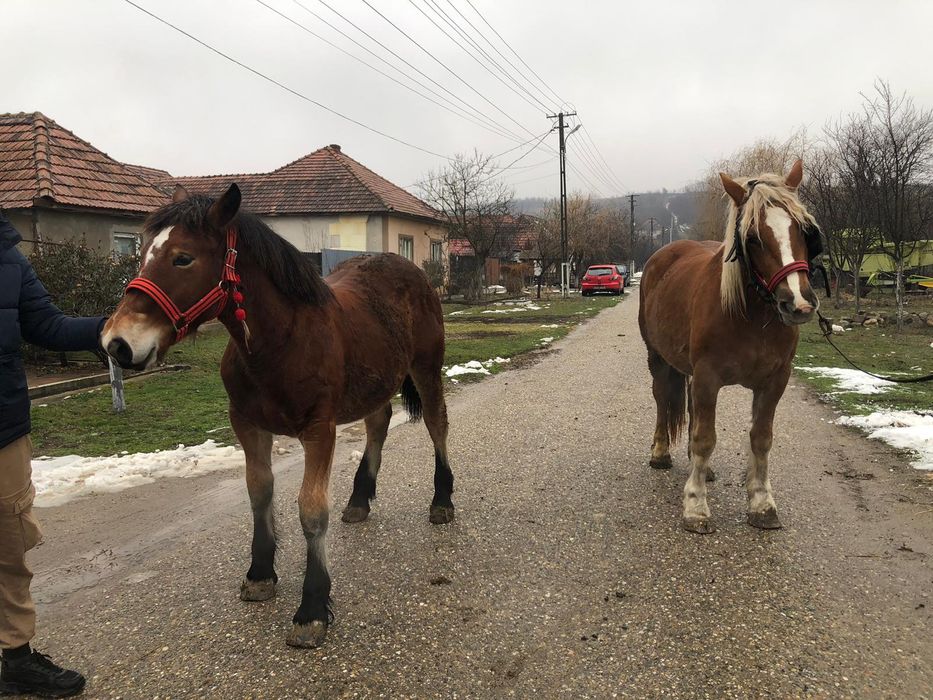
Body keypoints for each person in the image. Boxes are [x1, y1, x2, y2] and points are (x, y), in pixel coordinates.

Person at [0, 211, 106, 697]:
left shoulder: (8, 258)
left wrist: (115, 327)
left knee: (8, 547)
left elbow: (46, 325)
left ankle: (16, 658)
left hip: (3, 428)